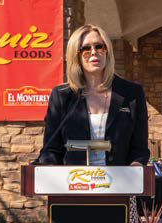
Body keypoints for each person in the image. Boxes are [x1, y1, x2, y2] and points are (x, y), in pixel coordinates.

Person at [37, 24, 150, 166]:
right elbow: (51, 149)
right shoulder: (62, 96)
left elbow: (140, 149)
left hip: (120, 184)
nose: (93, 52)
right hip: (74, 183)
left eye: (99, 46)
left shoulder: (132, 94)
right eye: (85, 48)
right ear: (75, 55)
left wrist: (136, 168)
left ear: (107, 51)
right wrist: (50, 172)